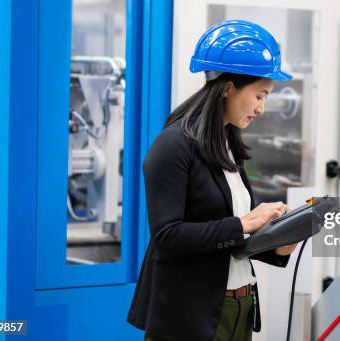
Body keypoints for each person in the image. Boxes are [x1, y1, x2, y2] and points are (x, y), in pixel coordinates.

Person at [127, 20, 298, 340]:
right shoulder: (173, 146)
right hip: (191, 316)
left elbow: (223, 238)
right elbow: (168, 236)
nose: (262, 108)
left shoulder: (226, 143)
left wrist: (277, 247)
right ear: (229, 87)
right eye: (259, 95)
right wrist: (245, 223)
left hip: (239, 308)